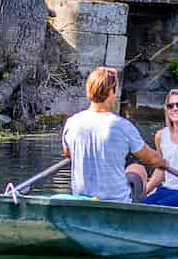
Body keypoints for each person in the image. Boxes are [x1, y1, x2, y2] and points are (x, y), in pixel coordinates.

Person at [62, 67, 168, 200]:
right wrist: (163, 163)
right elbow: (152, 159)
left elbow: (68, 153)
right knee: (137, 169)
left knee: (129, 170)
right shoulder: (122, 126)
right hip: (117, 202)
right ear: (112, 92)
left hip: (82, 200)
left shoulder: (72, 123)